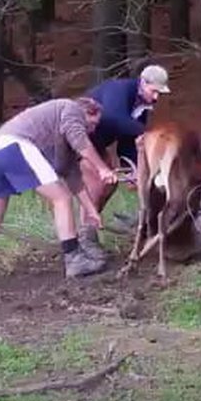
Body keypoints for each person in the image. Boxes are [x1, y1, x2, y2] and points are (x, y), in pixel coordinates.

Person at [0, 97, 118, 287]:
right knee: (62, 198)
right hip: (14, 145)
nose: (92, 130)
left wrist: (91, 210)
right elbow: (81, 142)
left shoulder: (58, 132)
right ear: (86, 112)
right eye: (92, 124)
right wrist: (103, 169)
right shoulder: (71, 109)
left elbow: (72, 175)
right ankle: (74, 259)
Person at [77, 64, 171, 260]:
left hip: (98, 145)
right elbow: (114, 118)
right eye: (154, 91)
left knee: (109, 185)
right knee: (95, 185)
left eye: (159, 94)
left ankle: (87, 231)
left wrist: (133, 169)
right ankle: (84, 242)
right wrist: (148, 133)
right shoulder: (119, 89)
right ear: (143, 83)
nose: (155, 98)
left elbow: (127, 140)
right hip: (79, 142)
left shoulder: (142, 106)